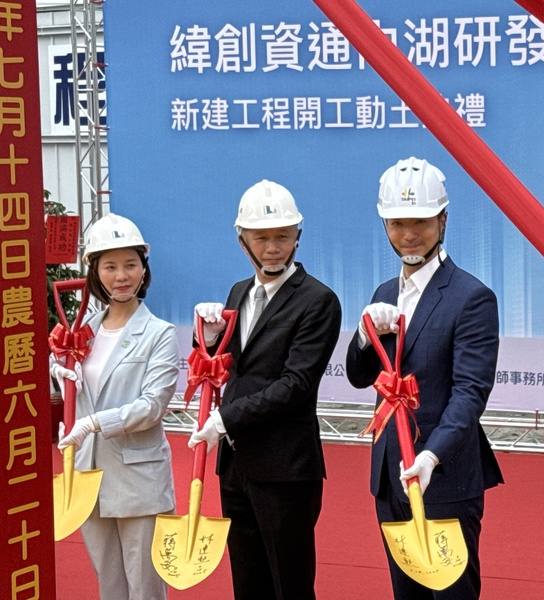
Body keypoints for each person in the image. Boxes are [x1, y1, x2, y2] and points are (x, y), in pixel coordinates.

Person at [346, 156, 503, 599]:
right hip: (390, 473)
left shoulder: (472, 297)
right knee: (406, 592)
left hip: (444, 475)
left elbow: (470, 394)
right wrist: (363, 334)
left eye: (421, 222)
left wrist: (431, 456)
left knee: (451, 593)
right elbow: (361, 377)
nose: (409, 234)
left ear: (444, 220)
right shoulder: (383, 293)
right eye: (396, 223)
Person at [190, 179, 341, 600]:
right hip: (236, 466)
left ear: (298, 237)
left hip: (286, 468)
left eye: (282, 237)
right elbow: (222, 367)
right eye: (262, 238)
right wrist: (206, 337)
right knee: (247, 583)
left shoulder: (318, 300)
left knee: (289, 585)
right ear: (243, 241)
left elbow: (296, 385)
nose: (272, 247)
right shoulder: (239, 293)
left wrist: (224, 418)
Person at [51, 213, 179, 600]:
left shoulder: (159, 334)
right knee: (109, 585)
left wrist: (91, 423)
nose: (121, 275)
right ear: (95, 272)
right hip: (87, 475)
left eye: (130, 264)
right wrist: (58, 375)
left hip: (138, 479)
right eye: (110, 266)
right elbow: (78, 387)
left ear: (144, 269)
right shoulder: (82, 330)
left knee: (145, 588)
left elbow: (152, 406)